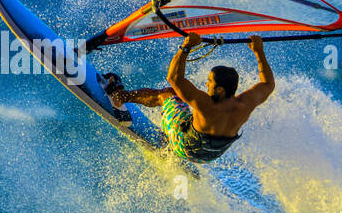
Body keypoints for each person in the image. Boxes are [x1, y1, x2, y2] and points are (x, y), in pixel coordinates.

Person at [102, 34, 274, 163]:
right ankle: (173, 140)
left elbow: (174, 78)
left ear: (220, 89)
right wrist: (259, 52)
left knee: (168, 94)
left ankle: (118, 97)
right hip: (209, 158)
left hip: (185, 148)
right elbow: (268, 84)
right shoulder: (245, 104)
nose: (206, 85)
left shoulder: (207, 105)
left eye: (210, 82)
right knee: (186, 109)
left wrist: (186, 45)